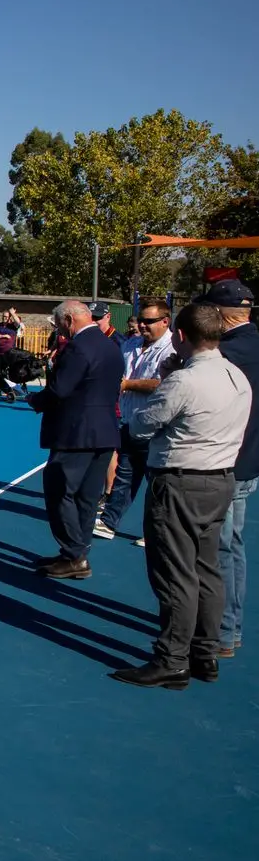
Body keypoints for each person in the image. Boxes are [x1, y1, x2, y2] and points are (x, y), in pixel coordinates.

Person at [111, 304, 251, 689]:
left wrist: (170, 380)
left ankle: (172, 658)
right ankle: (204, 652)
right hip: (220, 478)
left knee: (175, 572)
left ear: (182, 336)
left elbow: (142, 424)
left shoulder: (184, 381)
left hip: (181, 480)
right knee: (208, 568)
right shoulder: (236, 376)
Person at [28, 300, 126, 580]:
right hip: (105, 431)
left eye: (59, 324)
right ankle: (77, 552)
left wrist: (35, 399)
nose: (59, 330)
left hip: (76, 433)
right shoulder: (111, 345)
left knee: (59, 490)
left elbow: (60, 390)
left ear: (69, 320)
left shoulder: (78, 348)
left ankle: (74, 554)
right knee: (87, 495)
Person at [199, 280, 259, 657]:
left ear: (220, 314)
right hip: (249, 459)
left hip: (226, 461)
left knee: (217, 549)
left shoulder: (228, 354)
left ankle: (220, 630)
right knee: (233, 547)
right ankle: (229, 627)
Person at [94, 302, 173, 540]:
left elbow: (166, 385)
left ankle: (157, 532)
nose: (142, 325)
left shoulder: (171, 349)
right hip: (129, 422)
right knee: (124, 476)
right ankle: (109, 521)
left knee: (157, 484)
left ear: (164, 321)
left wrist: (128, 384)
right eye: (141, 320)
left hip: (157, 428)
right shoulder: (131, 344)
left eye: (148, 321)